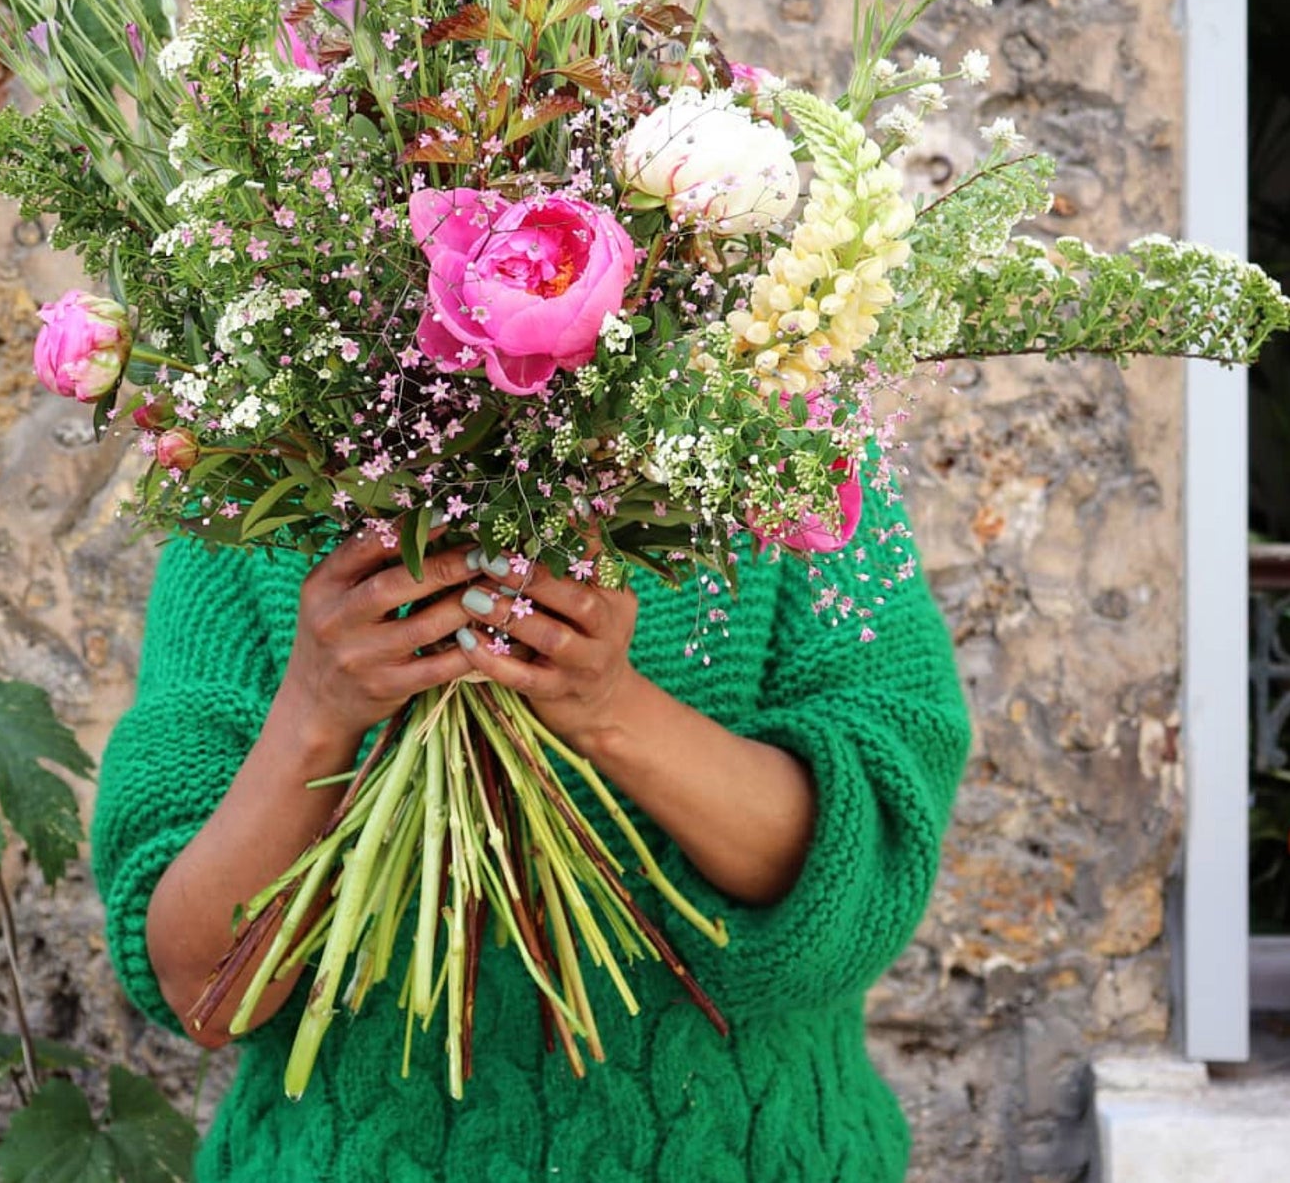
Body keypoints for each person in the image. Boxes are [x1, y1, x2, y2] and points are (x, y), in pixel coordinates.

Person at [92, 475, 969, 1181]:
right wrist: (319, 711)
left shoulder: (789, 446)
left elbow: (869, 875)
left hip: (749, 1152)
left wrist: (608, 707)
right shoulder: (260, 484)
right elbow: (201, 987)